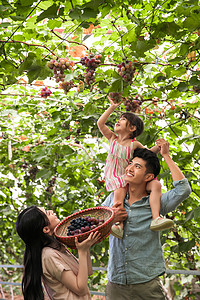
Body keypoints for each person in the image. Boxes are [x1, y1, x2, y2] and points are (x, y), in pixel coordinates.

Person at [102, 139, 191, 300]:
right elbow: (96, 225)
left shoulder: (157, 203)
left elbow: (183, 189)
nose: (129, 168)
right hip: (116, 284)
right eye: (131, 163)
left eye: (137, 167)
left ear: (148, 176)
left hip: (147, 284)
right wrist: (111, 219)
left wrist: (166, 156)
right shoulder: (113, 198)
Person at [97, 97, 173, 238]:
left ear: (132, 128)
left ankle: (156, 218)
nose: (118, 121)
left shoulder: (134, 144)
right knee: (118, 197)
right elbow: (100, 123)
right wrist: (112, 107)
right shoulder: (112, 138)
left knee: (155, 185)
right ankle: (118, 225)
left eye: (123, 119)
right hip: (116, 176)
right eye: (119, 119)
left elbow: (147, 154)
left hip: (129, 176)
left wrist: (160, 146)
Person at [16, 206, 101, 300]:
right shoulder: (49, 255)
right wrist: (82, 251)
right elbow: (80, 289)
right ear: (46, 229)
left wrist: (85, 246)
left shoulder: (58, 248)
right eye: (47, 213)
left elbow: (87, 271)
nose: (51, 211)